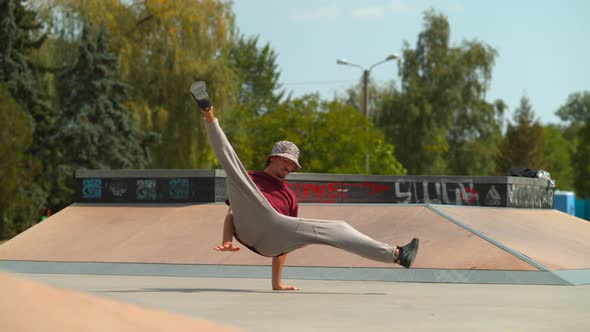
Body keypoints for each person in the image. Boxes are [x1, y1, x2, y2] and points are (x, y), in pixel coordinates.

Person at [190, 81, 420, 291]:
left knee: (338, 228)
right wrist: (226, 241)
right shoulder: (250, 179)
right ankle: (208, 112)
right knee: (233, 165)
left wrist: (277, 284)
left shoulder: (289, 197)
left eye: (293, 165)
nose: (289, 167)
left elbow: (287, 241)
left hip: (272, 239)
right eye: (285, 161)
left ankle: (397, 255)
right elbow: (232, 213)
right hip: (248, 224)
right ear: (272, 158)